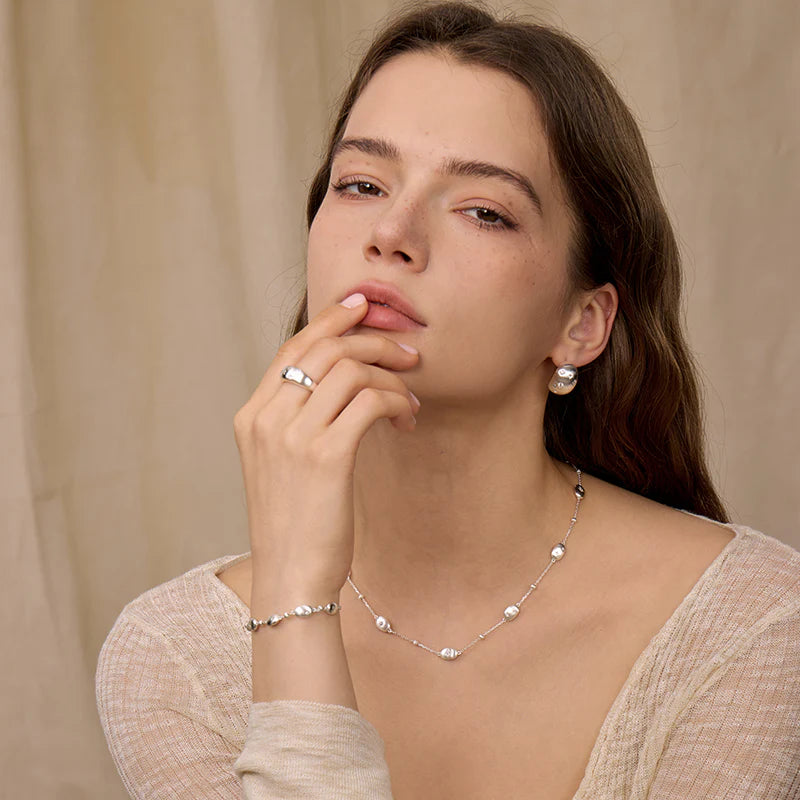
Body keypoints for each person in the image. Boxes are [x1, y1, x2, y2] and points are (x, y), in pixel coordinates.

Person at [95, 2, 800, 798]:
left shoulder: (754, 625)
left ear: (581, 324)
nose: (392, 232)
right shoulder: (176, 658)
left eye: (483, 211)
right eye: (361, 183)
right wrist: (292, 600)